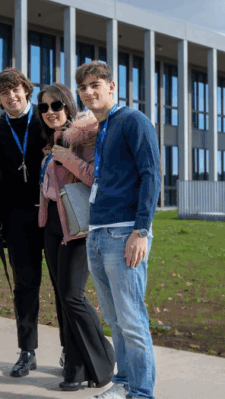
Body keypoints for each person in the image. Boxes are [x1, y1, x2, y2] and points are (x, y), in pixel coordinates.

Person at [75, 61, 159, 399]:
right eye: (83, 88)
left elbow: (151, 175)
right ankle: (124, 383)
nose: (88, 92)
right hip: (97, 232)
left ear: (112, 86)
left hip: (124, 232)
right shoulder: (103, 126)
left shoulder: (133, 121)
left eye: (95, 85)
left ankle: (141, 393)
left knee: (132, 320)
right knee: (115, 319)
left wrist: (141, 231)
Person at [37, 83, 116, 391]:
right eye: (44, 107)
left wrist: (67, 158)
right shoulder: (51, 141)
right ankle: (74, 365)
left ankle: (104, 359)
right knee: (63, 299)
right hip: (53, 227)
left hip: (79, 227)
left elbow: (98, 177)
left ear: (68, 105)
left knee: (73, 295)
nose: (50, 112)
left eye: (56, 105)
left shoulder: (86, 135)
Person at [0, 67, 47, 377]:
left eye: (16, 89)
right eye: (4, 93)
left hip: (53, 215)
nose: (11, 96)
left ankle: (71, 351)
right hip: (16, 219)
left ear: (26, 90)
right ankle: (28, 351)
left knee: (64, 287)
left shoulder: (45, 117)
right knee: (25, 286)